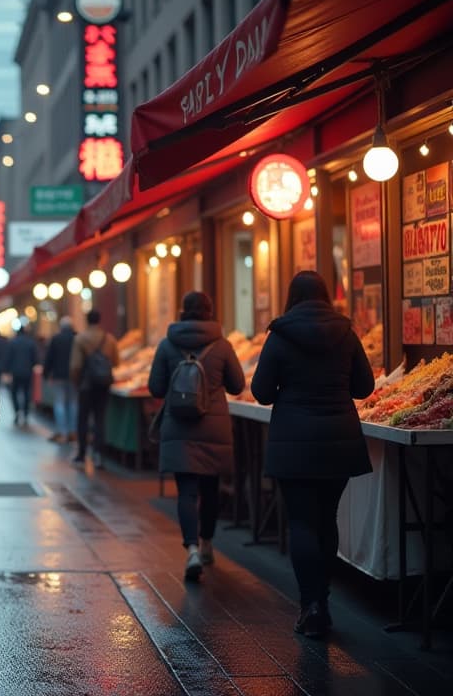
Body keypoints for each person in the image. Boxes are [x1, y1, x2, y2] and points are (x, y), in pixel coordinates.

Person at [251, 271, 374, 638]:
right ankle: (324, 599)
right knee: (327, 519)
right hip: (339, 439)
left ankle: (311, 606)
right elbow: (364, 387)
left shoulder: (280, 335)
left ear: (292, 296)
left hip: (293, 441)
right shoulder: (346, 333)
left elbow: (261, 391)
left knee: (302, 522)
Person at [147, 292, 245, 581]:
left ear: (182, 311)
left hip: (178, 426)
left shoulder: (167, 345)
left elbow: (155, 387)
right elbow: (238, 385)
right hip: (213, 426)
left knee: (186, 490)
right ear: (210, 312)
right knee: (210, 488)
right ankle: (206, 544)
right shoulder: (223, 345)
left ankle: (190, 549)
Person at [70, 310, 120, 465]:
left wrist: (76, 382)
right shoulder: (109, 339)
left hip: (86, 385)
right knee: (100, 419)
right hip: (103, 384)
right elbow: (116, 362)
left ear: (87, 320)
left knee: (83, 419)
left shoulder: (80, 339)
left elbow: (75, 365)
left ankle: (82, 453)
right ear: (99, 320)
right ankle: (99, 455)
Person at [43, 316, 78, 443]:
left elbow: (49, 358)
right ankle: (73, 432)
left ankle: (63, 432)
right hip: (74, 376)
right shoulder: (77, 338)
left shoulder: (56, 339)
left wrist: (46, 374)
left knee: (60, 403)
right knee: (73, 403)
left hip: (58, 376)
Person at [7, 325, 40, 425]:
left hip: (15, 372)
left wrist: (6, 371)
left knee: (14, 393)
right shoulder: (31, 342)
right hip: (27, 372)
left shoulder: (13, 342)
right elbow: (35, 358)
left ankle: (17, 411)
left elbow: (8, 357)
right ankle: (25, 414)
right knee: (26, 393)